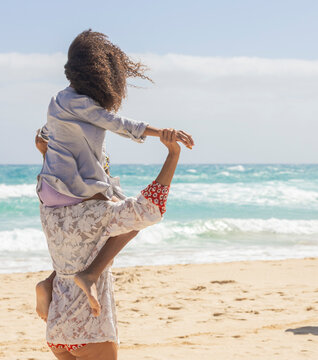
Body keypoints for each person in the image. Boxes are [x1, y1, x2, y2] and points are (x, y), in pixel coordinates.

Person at [34, 29, 194, 322]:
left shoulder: (61, 101)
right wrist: (163, 134)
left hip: (51, 195)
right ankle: (91, 274)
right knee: (140, 215)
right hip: (72, 192)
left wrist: (43, 141)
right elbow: (115, 122)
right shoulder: (78, 102)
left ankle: (50, 282)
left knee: (98, 225)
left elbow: (46, 133)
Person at [42, 129, 181, 360]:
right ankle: (83, 276)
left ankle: (48, 281)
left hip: (57, 325)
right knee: (131, 223)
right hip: (90, 326)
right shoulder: (101, 213)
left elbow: (54, 171)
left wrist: (46, 153)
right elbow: (150, 209)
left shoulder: (49, 210)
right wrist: (173, 155)